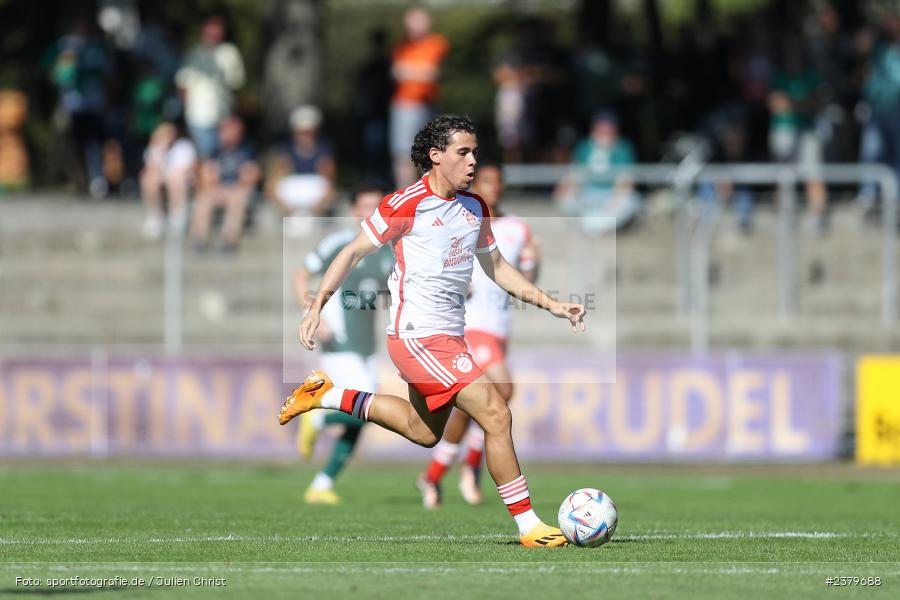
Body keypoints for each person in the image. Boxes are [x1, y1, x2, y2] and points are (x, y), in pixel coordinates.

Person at [279, 115, 586, 547]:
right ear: (436, 155)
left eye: (475, 152)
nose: (473, 161)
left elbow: (497, 267)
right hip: (417, 336)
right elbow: (352, 252)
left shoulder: (474, 207)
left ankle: (325, 396)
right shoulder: (407, 203)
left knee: (422, 432)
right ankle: (529, 526)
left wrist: (551, 303)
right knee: (496, 413)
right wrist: (316, 305)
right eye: (464, 152)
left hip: (448, 337)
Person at [417, 162, 541, 508]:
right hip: (470, 325)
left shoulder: (517, 228)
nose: (493, 187)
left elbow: (525, 277)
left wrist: (534, 263)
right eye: (486, 181)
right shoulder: (461, 219)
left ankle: (434, 475)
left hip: (499, 327)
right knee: (503, 391)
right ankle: (468, 467)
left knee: (474, 406)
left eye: (498, 182)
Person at [292, 184, 396, 505]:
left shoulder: (388, 252)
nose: (370, 213)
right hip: (338, 340)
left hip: (367, 345)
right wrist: (312, 311)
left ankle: (321, 485)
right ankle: (316, 416)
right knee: (367, 409)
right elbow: (300, 275)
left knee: (363, 414)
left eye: (376, 207)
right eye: (365, 206)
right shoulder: (339, 244)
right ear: (354, 211)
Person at [390, 7, 449, 188]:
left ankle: (429, 192)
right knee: (404, 153)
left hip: (428, 104)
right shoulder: (401, 46)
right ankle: (405, 193)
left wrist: (408, 71)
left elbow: (433, 72)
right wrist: (420, 72)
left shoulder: (437, 43)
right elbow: (395, 72)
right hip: (404, 105)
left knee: (432, 152)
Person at [554, 111, 640, 234]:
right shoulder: (584, 146)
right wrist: (567, 187)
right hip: (587, 193)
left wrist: (617, 199)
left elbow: (626, 180)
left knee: (630, 203)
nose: (604, 135)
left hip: (611, 195)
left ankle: (598, 227)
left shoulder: (623, 148)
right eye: (601, 130)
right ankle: (587, 224)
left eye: (608, 131)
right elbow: (574, 173)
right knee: (566, 198)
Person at [175, 15, 245, 159]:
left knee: (223, 161)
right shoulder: (193, 54)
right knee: (205, 160)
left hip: (224, 119)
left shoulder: (230, 53)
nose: (214, 33)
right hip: (199, 118)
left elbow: (236, 87)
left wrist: (234, 118)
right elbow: (182, 87)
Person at [189, 115, 259, 252]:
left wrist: (233, 187)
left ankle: (228, 240)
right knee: (204, 198)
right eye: (225, 130)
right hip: (217, 188)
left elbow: (250, 176)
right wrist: (215, 186)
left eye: (233, 130)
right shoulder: (214, 150)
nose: (229, 133)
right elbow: (206, 176)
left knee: (237, 198)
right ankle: (199, 239)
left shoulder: (248, 150)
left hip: (237, 189)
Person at [267, 106, 337, 236]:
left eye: (308, 132)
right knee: (276, 185)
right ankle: (292, 217)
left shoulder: (324, 149)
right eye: (301, 132)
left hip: (314, 191)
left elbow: (330, 180)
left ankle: (311, 217)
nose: (305, 136)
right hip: (293, 192)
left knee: (325, 185)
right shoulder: (286, 150)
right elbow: (274, 178)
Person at [140, 121, 196, 239]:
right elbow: (151, 169)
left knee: (176, 179)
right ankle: (155, 215)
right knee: (149, 180)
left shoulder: (184, 146)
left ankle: (178, 215)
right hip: (165, 177)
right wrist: (161, 151)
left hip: (181, 179)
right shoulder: (154, 148)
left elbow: (186, 169)